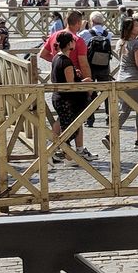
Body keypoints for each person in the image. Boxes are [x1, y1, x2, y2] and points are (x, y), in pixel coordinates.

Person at [39, 11, 97, 162]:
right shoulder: (77, 40)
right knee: (77, 118)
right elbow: (84, 64)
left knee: (64, 118)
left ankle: (54, 146)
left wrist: (57, 63)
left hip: (59, 84)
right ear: (78, 23)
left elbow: (43, 54)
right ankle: (73, 149)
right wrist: (87, 83)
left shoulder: (55, 36)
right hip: (73, 85)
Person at [101, 18, 138, 151]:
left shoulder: (120, 42)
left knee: (124, 110)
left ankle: (109, 135)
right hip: (135, 79)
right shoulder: (135, 43)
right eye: (136, 25)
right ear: (129, 28)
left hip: (122, 78)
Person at [50, 31, 95, 166]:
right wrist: (85, 81)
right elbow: (71, 86)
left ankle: (56, 152)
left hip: (58, 97)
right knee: (69, 128)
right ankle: (67, 156)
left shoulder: (56, 58)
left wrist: (76, 74)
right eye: (73, 41)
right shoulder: (67, 61)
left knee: (65, 125)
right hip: (66, 100)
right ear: (69, 44)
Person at [78, 11, 113, 128]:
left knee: (89, 91)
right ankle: (109, 117)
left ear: (91, 21)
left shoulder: (85, 33)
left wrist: (83, 27)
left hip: (90, 66)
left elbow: (77, 41)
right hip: (104, 67)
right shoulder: (109, 34)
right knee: (106, 91)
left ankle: (90, 118)